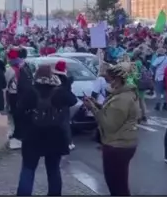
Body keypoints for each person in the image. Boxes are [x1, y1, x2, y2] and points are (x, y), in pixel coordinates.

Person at [16, 65, 77, 196]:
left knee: (28, 169)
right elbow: (73, 100)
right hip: (55, 135)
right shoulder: (59, 91)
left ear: (36, 75)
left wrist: (21, 130)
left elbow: (19, 110)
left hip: (33, 135)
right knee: (53, 169)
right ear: (52, 75)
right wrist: (65, 82)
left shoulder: (31, 91)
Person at [83, 62, 139, 196]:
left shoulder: (122, 99)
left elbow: (109, 125)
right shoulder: (122, 94)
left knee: (117, 185)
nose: (108, 82)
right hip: (122, 143)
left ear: (119, 80)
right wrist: (97, 104)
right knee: (119, 182)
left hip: (117, 146)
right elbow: (112, 113)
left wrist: (93, 109)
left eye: (110, 79)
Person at [52, 60, 75, 151]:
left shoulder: (53, 78)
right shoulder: (66, 79)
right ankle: (68, 142)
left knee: (56, 123)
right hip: (64, 104)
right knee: (65, 124)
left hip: (54, 103)